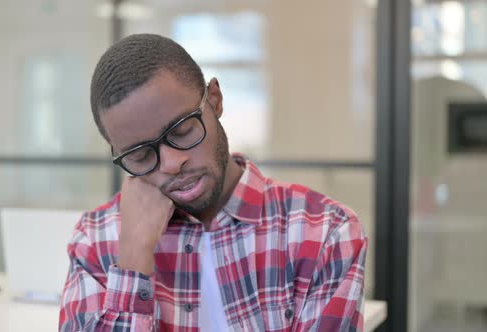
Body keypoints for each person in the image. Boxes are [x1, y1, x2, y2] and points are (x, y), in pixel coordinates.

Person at [59, 33, 367, 331]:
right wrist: (133, 257)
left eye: (181, 131)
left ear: (215, 101)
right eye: (140, 155)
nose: (170, 164)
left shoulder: (325, 231)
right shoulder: (96, 239)